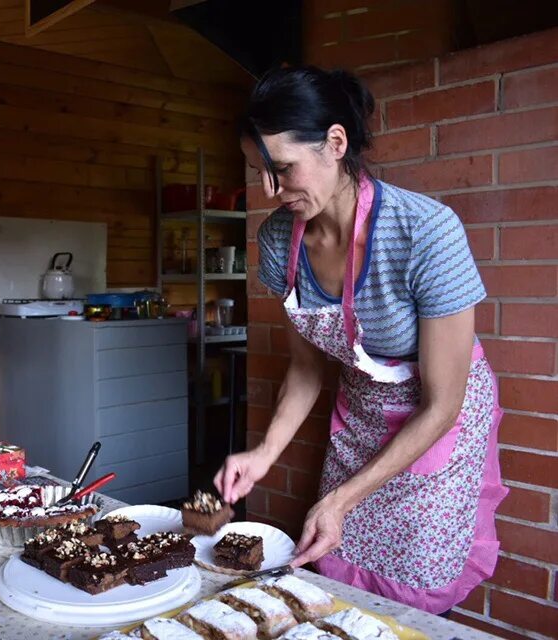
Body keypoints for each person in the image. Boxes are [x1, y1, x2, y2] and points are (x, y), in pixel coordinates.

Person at [214, 66, 507, 614]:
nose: (269, 191)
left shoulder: (425, 232)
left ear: (335, 143)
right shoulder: (280, 237)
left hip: (438, 422)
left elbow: (444, 403)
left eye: (281, 169)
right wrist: (263, 454)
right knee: (340, 560)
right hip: (362, 413)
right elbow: (306, 368)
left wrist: (343, 497)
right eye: (259, 172)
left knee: (414, 575)